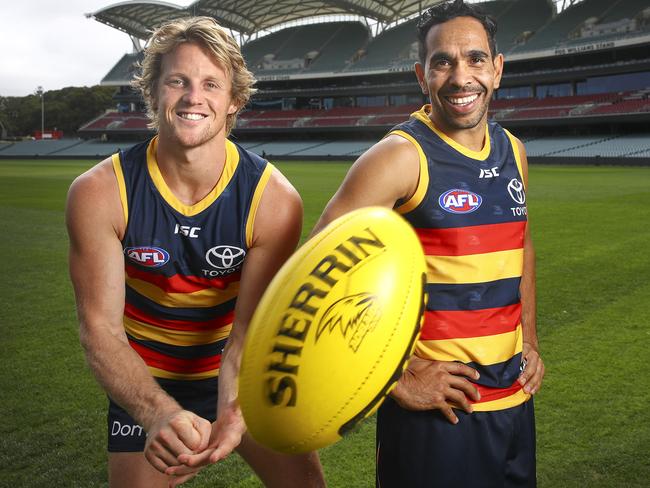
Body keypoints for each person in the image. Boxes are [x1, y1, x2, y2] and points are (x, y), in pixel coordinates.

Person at [66, 16, 325, 488]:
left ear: (233, 101)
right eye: (178, 82)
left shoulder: (273, 201)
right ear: (153, 92)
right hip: (145, 378)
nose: (192, 97)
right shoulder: (100, 193)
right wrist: (156, 412)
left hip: (237, 371)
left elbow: (247, 332)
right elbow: (99, 330)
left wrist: (233, 408)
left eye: (210, 84)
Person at [311, 1, 545, 486]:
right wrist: (394, 376)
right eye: (444, 62)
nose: (462, 77)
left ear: (497, 69)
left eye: (476, 59)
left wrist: (531, 340)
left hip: (512, 405)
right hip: (438, 416)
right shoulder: (399, 157)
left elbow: (520, 249)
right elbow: (311, 276)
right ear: (422, 75)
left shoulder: (513, 150)